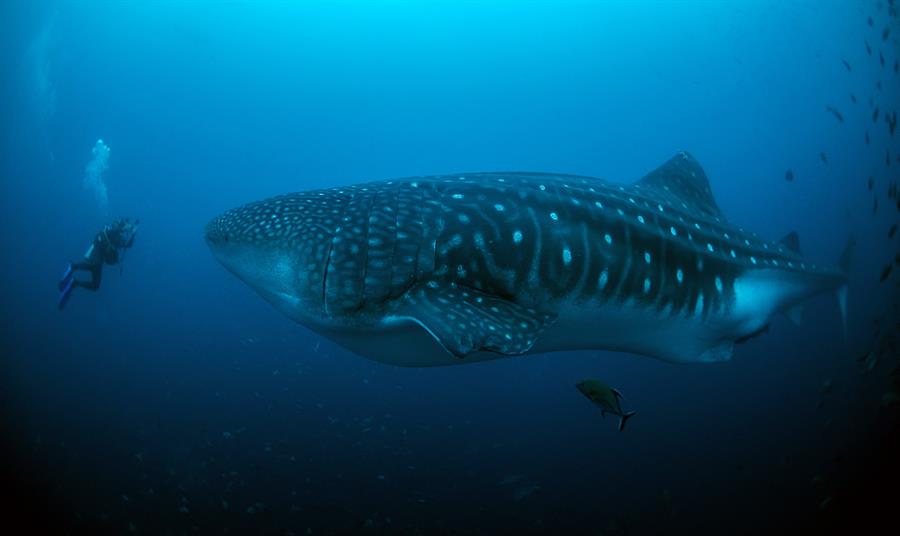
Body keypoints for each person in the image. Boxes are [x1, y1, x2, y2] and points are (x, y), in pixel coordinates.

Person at [58, 218, 139, 309]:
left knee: (95, 285)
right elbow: (115, 229)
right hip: (96, 252)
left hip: (100, 258)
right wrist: (128, 227)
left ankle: (74, 282)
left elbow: (127, 245)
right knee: (94, 265)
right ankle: (73, 267)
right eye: (125, 225)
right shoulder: (114, 227)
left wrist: (133, 234)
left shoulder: (118, 237)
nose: (126, 228)